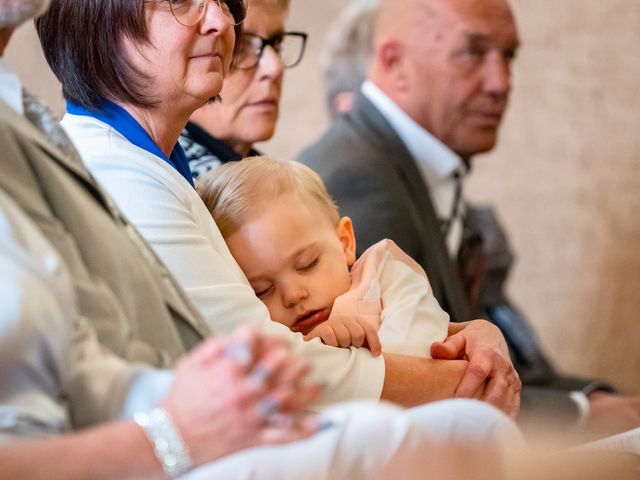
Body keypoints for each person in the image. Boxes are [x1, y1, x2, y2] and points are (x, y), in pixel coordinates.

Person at [0, 2, 525, 478]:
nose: (220, 21)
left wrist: (461, 334)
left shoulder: (157, 164)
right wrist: (467, 376)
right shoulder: (117, 168)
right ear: (101, 16)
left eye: (224, 2)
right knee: (463, 434)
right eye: (184, 0)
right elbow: (268, 358)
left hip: (182, 422)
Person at [299, 0, 640, 432]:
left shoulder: (417, 168)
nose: (501, 83)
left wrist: (597, 401)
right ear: (394, 62)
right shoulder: (358, 177)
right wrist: (591, 414)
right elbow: (399, 386)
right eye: (472, 52)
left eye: (509, 56)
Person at [198, 156, 451, 362]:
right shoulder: (270, 349)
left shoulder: (385, 275)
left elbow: (424, 351)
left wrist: (348, 356)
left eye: (307, 264)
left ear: (345, 243)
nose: (294, 295)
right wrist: (318, 355)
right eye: (261, 291)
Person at [179, 0, 307, 179]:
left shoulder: (264, 183)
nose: (275, 67)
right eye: (239, 46)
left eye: (277, 42)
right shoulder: (178, 189)